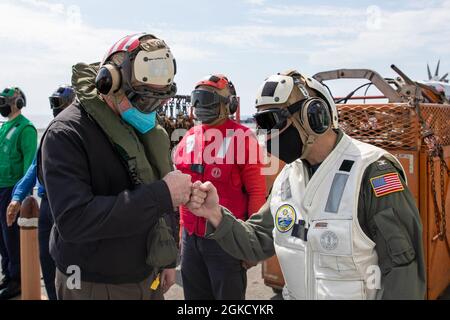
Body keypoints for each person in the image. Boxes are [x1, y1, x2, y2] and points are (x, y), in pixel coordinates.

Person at [186, 70, 426, 300]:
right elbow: (258, 240)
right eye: (262, 124)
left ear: (313, 116)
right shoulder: (287, 179)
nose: (268, 135)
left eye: (273, 121)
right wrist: (216, 214)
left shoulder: (372, 172)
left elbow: (403, 270)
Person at [38, 33, 192, 300]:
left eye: (161, 100)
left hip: (148, 272)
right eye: (146, 100)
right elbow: (74, 220)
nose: (152, 110)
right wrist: (163, 195)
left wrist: (167, 259)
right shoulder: (66, 134)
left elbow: (160, 193)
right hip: (93, 281)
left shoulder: (143, 129)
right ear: (109, 83)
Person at [174, 75, 267, 300]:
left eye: (208, 99)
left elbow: (257, 192)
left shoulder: (244, 138)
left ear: (229, 104)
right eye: (197, 99)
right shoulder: (188, 137)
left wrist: (251, 244)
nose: (201, 106)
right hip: (190, 238)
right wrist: (181, 233)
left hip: (225, 240)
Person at [6, 85, 76, 300]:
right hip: (46, 206)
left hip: (68, 206)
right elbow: (34, 169)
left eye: (58, 104)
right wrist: (17, 196)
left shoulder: (80, 135)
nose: (55, 109)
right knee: (46, 260)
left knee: (70, 265)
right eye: (53, 104)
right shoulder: (51, 133)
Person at [0, 87, 37, 300]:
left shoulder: (26, 129)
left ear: (18, 103)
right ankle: (8, 273)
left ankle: (18, 280)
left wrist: (21, 197)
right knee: (2, 238)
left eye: (5, 101)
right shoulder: (5, 128)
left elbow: (29, 166)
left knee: (12, 238)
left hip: (11, 189)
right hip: (0, 187)